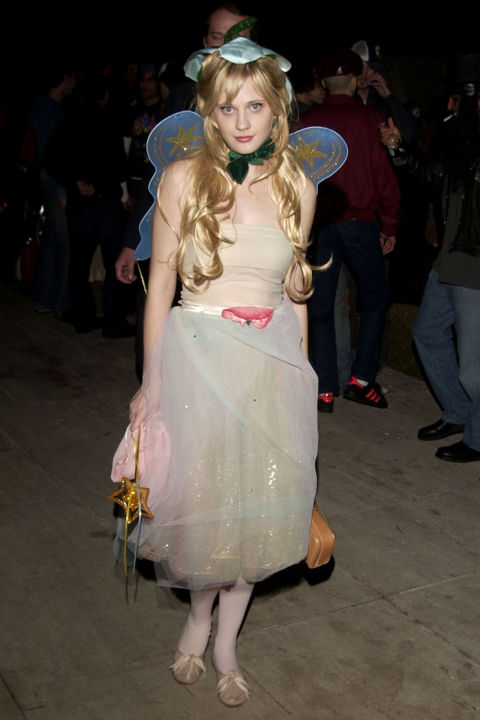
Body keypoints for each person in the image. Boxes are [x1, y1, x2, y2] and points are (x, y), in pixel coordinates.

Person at [112, 36, 321, 707]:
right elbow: (161, 285)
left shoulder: (298, 185)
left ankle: (228, 643)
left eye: (255, 105)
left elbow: (295, 294)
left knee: (257, 512)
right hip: (197, 361)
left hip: (268, 368)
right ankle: (197, 622)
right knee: (204, 511)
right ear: (208, 110)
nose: (241, 121)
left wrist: (301, 375)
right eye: (227, 107)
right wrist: (151, 381)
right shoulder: (183, 178)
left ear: (277, 108)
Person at [115, 4, 257, 376]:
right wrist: (134, 241)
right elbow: (158, 173)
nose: (226, 49)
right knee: (159, 331)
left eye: (237, 40)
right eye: (217, 38)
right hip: (181, 239)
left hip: (239, 248)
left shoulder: (268, 102)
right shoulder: (182, 96)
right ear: (204, 41)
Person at [299, 49, 401, 412]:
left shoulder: (307, 121)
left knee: (320, 303)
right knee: (374, 298)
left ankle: (324, 388)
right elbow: (382, 176)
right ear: (355, 80)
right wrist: (390, 223)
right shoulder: (368, 118)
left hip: (320, 224)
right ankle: (361, 379)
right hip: (359, 222)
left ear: (325, 83)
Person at [413, 54, 480, 463]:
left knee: (473, 367)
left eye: (458, 99)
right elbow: (431, 177)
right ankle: (458, 412)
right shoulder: (460, 138)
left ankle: (478, 437)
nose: (449, 106)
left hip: (473, 264)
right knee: (427, 333)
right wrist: (400, 151)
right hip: (449, 257)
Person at [43, 72, 132, 337]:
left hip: (80, 204)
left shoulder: (69, 121)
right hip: (104, 203)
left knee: (79, 264)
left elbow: (50, 159)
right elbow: (119, 165)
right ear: (106, 95)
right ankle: (113, 322)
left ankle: (83, 318)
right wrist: (108, 189)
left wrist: (74, 183)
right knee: (113, 261)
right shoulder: (109, 121)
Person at [27, 63, 77, 315]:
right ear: (65, 78)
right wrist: (61, 192)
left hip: (46, 181)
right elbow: (50, 157)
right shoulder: (49, 111)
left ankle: (44, 298)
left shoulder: (44, 107)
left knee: (50, 241)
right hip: (52, 183)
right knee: (63, 243)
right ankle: (59, 302)